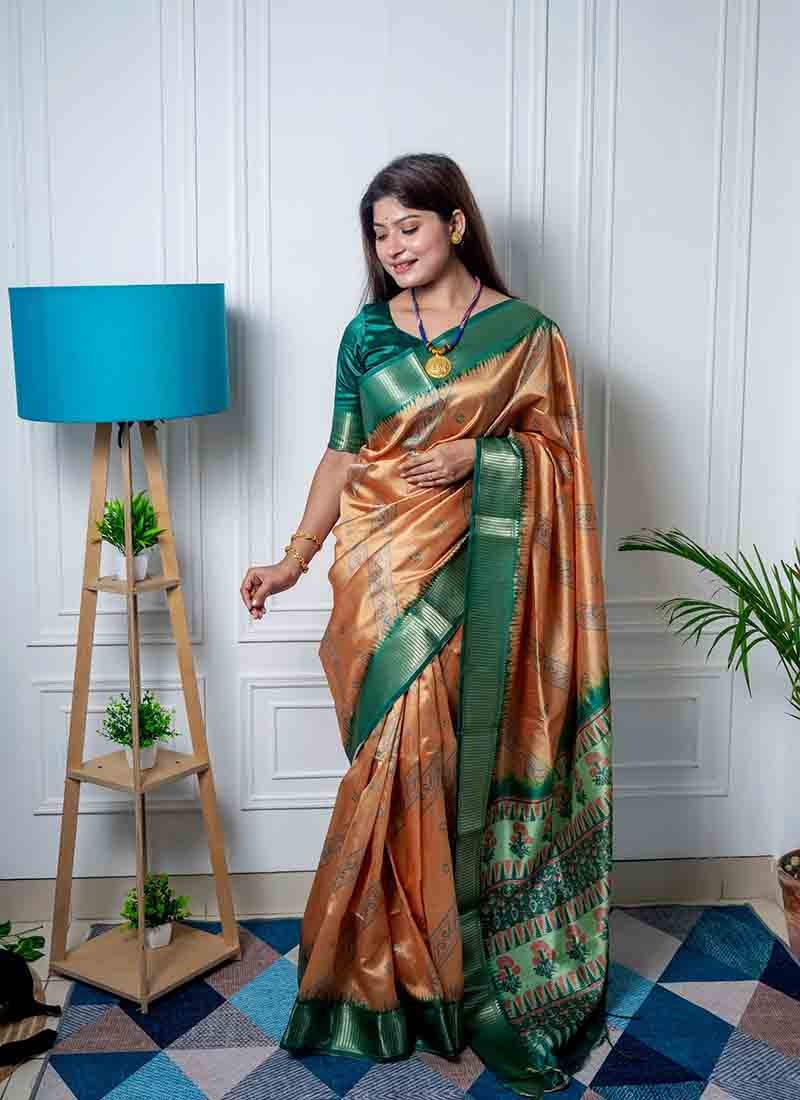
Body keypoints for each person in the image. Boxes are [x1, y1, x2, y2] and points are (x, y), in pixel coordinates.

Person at [239, 152, 613, 1098]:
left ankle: (451, 975)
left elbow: (560, 460)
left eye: (408, 226)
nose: (393, 247)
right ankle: (380, 976)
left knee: (440, 760)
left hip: (473, 576)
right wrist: (293, 558)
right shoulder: (365, 335)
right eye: (379, 233)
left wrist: (480, 457)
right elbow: (341, 456)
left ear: (454, 223)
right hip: (376, 570)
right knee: (388, 758)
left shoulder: (528, 335)